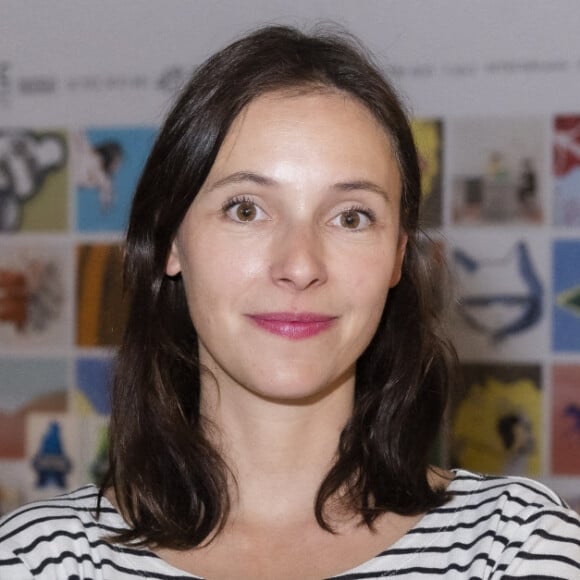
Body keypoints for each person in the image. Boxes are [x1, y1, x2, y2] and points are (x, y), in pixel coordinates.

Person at [1, 25, 580, 580]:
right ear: (173, 239)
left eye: (351, 217)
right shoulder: (40, 562)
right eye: (246, 209)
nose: (301, 265)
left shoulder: (516, 548)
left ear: (397, 256)